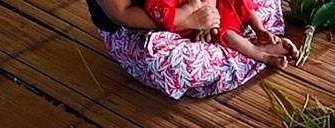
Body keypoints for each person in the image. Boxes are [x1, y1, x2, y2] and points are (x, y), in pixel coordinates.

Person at [85, 0, 290, 98]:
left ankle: (259, 33)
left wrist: (207, 9)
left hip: (197, 8)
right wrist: (189, 18)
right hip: (139, 28)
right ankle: (257, 53)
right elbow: (121, 14)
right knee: (171, 64)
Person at [144, 0, 298, 68]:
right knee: (226, 35)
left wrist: (209, 6)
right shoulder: (156, 2)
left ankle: (260, 31)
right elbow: (165, 17)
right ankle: (260, 54)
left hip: (215, 9)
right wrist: (192, 8)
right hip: (197, 25)